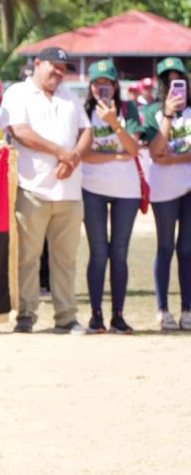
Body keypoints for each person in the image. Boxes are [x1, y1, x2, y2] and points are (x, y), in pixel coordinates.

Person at [1, 47, 91, 334]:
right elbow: (19, 131)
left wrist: (72, 158)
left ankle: (66, 317)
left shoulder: (70, 96)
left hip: (69, 192)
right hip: (32, 189)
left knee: (65, 260)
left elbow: (87, 131)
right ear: (38, 64)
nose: (59, 73)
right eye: (54, 67)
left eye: (63, 69)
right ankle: (25, 314)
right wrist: (62, 153)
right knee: (27, 257)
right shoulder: (18, 93)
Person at [80, 60, 144, 334]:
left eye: (107, 83)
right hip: (92, 187)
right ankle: (96, 315)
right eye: (97, 83)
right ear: (90, 86)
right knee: (98, 253)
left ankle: (118, 315)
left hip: (126, 191)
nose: (101, 88)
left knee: (119, 253)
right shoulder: (83, 111)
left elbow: (133, 149)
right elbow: (84, 154)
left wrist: (115, 123)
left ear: (115, 86)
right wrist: (117, 156)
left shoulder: (128, 109)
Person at [142, 57, 191, 330]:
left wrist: (172, 159)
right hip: (163, 190)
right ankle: (163, 310)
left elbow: (164, 156)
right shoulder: (153, 112)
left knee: (187, 249)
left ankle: (187, 309)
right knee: (165, 247)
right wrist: (169, 115)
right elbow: (155, 151)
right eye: (169, 81)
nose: (175, 86)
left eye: (179, 80)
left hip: (189, 187)